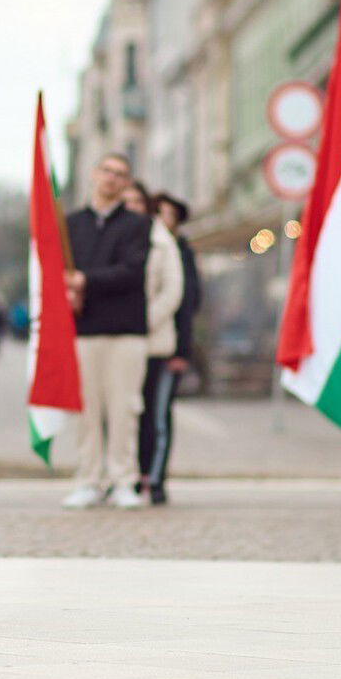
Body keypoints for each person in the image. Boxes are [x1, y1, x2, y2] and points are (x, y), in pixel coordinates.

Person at [61, 153, 151, 510]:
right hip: (83, 329)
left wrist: (85, 280)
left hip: (126, 331)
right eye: (107, 171)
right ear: (94, 174)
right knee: (87, 410)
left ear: (126, 183)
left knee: (123, 409)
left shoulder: (138, 225)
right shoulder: (71, 224)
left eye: (120, 174)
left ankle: (123, 480)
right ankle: (88, 479)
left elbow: (132, 270)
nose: (112, 178)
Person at [121, 182, 183, 506]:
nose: (130, 207)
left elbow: (175, 292)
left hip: (153, 341)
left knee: (153, 415)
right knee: (122, 414)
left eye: (136, 201)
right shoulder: (114, 237)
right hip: (118, 339)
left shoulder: (162, 241)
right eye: (125, 202)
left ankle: (152, 478)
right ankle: (122, 475)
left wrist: (141, 321)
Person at [139, 193, 199, 503]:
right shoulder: (143, 246)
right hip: (140, 346)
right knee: (139, 414)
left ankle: (156, 478)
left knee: (159, 414)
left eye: (169, 214)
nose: (163, 219)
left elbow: (188, 303)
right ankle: (137, 475)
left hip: (169, 345)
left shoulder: (182, 252)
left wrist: (182, 350)